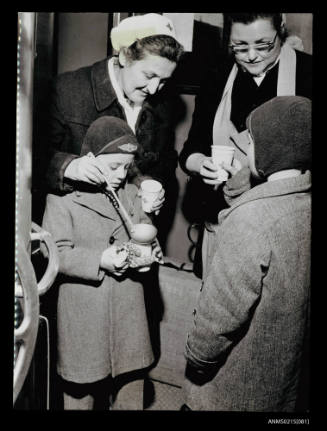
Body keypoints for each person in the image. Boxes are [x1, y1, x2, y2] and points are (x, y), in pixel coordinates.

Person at [183, 96, 311, 411]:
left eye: (251, 140)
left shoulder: (251, 220)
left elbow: (223, 311)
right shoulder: (301, 202)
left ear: (271, 147)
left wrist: (198, 356)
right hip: (283, 376)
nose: (246, 147)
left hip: (236, 385)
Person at [42, 116, 164, 410]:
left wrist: (150, 254)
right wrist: (99, 259)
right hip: (84, 315)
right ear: (90, 160)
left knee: (131, 392)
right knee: (79, 395)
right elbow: (53, 252)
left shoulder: (132, 194)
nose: (121, 175)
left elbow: (143, 235)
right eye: (113, 167)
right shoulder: (61, 199)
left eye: (126, 167)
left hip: (128, 315)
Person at [179, 13, 312, 277]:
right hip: (223, 219)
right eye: (239, 47)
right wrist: (201, 164)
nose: (251, 55)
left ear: (282, 31)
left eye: (263, 45)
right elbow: (191, 150)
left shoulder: (308, 74)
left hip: (288, 228)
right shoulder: (217, 76)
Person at [44, 13, 184, 247]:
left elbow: (165, 161)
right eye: (149, 75)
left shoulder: (164, 105)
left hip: (130, 235)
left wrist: (154, 185)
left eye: (163, 80)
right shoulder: (67, 91)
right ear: (124, 55)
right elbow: (31, 159)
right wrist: (69, 166)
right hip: (76, 240)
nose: (154, 89)